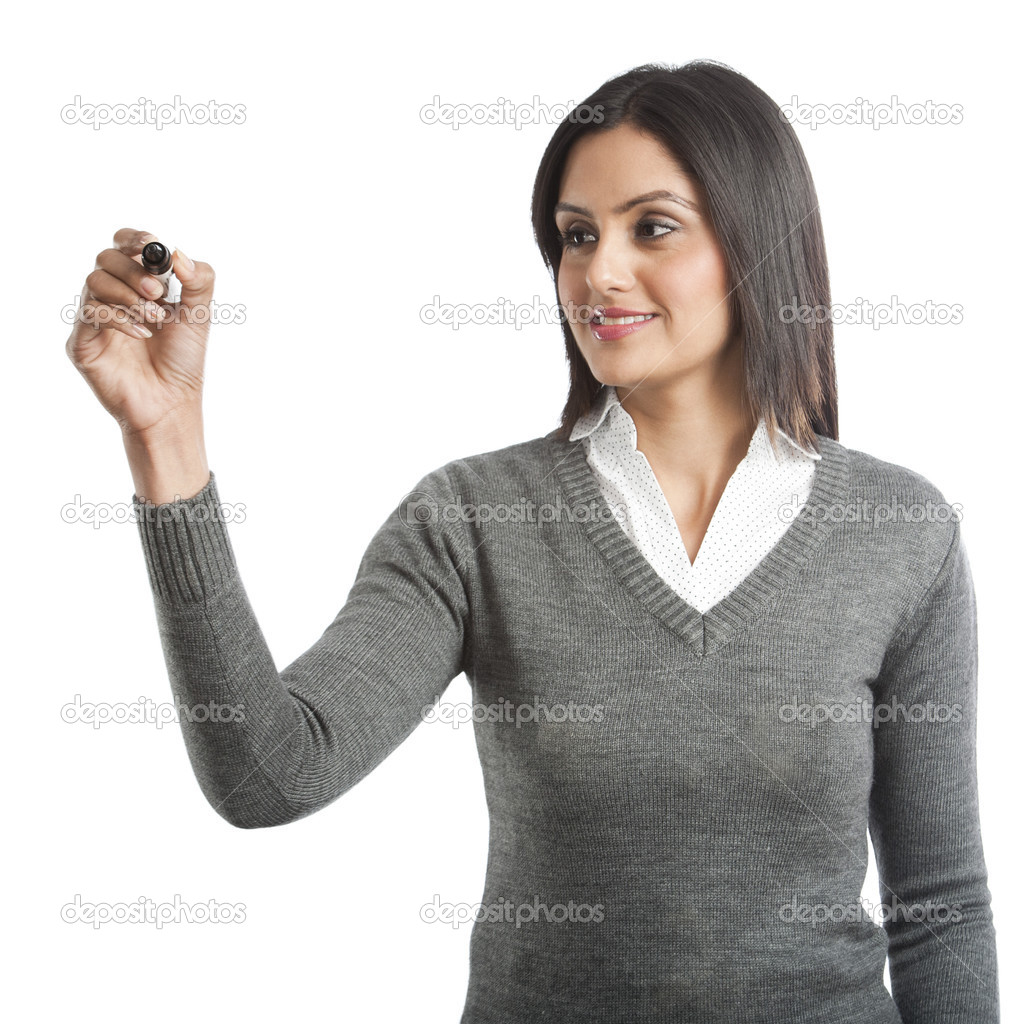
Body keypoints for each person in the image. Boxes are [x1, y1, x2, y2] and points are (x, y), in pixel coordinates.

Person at [65, 59, 998, 1022]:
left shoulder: (899, 534)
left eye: (654, 227)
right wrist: (163, 436)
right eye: (575, 236)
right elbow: (268, 773)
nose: (600, 272)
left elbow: (939, 908)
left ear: (758, 241)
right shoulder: (473, 523)